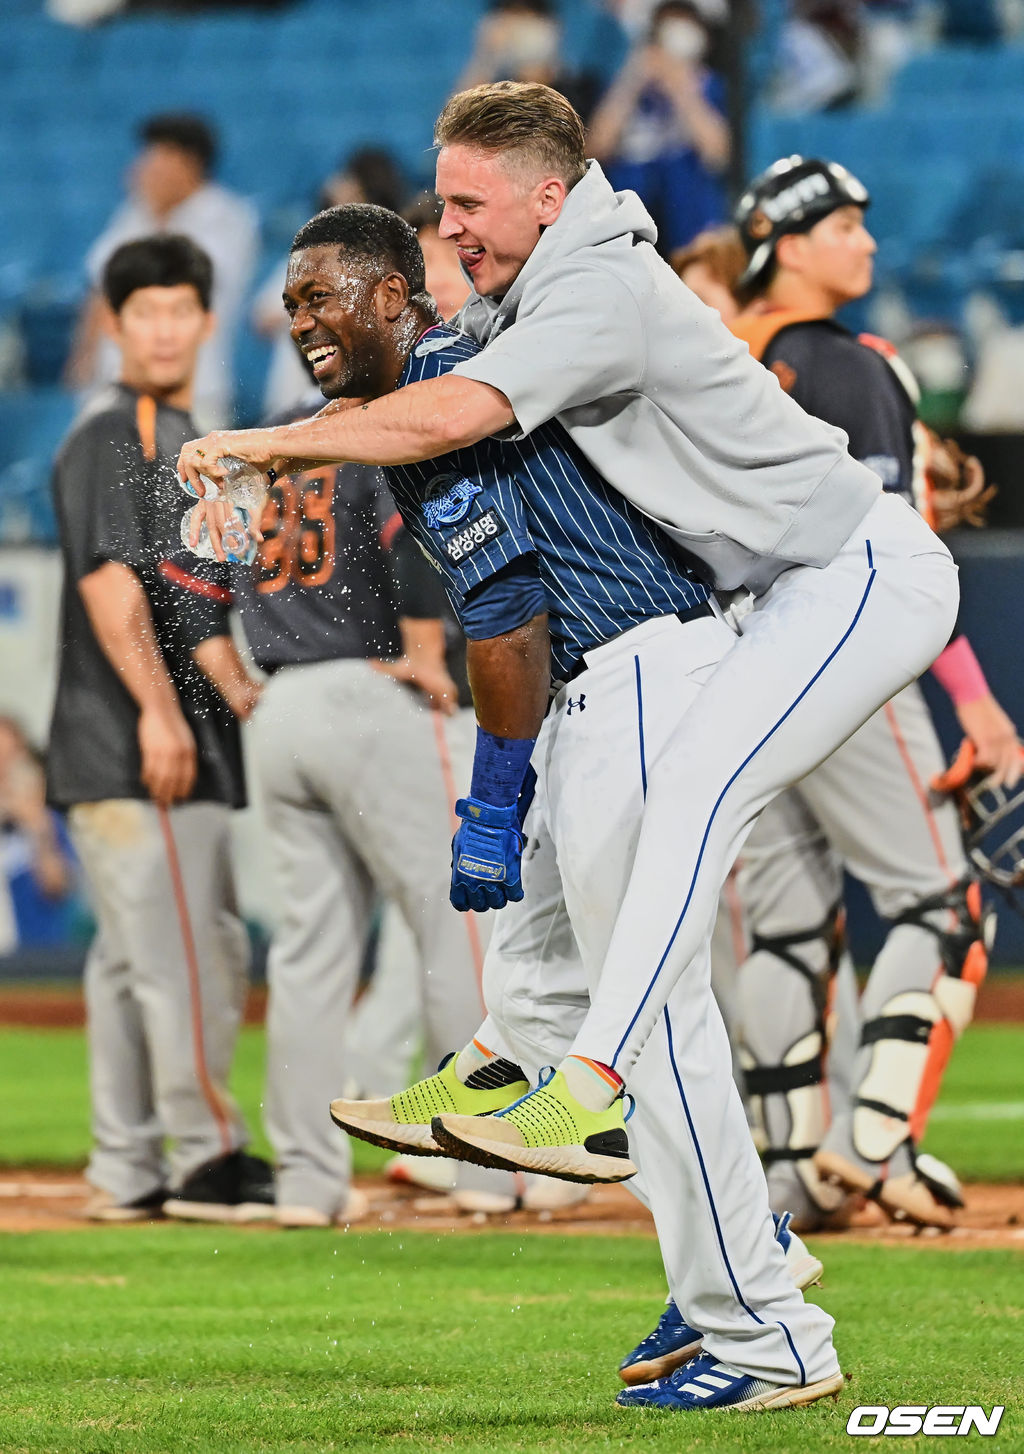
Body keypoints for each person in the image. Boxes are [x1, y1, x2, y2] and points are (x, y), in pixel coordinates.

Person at [178, 87, 958, 1410]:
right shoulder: (525, 299)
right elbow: (445, 384)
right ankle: (585, 1111)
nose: (451, 226)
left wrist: (260, 442)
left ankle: (607, 1115)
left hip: (817, 589)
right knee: (629, 968)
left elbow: (464, 467)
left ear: (548, 195)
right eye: (440, 204)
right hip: (740, 614)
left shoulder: (584, 293)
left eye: (469, 204)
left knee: (679, 903)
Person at [267, 201, 840, 1411]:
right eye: (288, 303)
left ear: (388, 292)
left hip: (633, 671)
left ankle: (766, 1326)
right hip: (621, 681)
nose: (299, 318)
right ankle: (555, 1100)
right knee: (574, 986)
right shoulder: (443, 373)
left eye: (321, 295)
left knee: (656, 1028)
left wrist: (491, 795)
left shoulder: (435, 399)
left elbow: (507, 614)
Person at [719, 155, 1020, 1231]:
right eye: (847, 224)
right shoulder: (849, 365)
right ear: (791, 242)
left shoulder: (723, 358)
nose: (869, 243)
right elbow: (894, 548)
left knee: (788, 932)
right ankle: (868, 1145)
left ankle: (789, 1180)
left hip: (732, 662)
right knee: (941, 900)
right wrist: (978, 704)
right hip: (837, 650)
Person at [231, 398, 513, 1225]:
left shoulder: (276, 434)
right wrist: (427, 650)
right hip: (373, 691)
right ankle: (486, 1168)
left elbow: (217, 576)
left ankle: (305, 1185)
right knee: (463, 923)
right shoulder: (387, 426)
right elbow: (423, 545)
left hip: (282, 697)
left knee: (309, 955)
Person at [48, 235, 271, 1225]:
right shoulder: (122, 431)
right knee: (189, 951)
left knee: (133, 962)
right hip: (144, 745)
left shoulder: (173, 428)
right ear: (117, 324)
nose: (166, 327)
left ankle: (127, 1161)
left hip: (134, 745)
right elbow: (109, 579)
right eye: (146, 311)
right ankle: (209, 1153)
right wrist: (160, 709)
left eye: (181, 309)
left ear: (207, 321)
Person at [67, 114, 259, 427]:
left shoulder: (228, 217)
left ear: (188, 162)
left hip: (192, 391)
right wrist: (83, 357)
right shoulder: (134, 212)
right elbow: (100, 285)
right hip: (116, 388)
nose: (144, 166)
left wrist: (159, 217)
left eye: (156, 156)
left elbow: (178, 277)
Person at [588, 1, 729, 250]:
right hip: (633, 191)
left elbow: (717, 154)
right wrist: (632, 82)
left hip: (686, 204)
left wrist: (680, 86)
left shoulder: (710, 84)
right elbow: (595, 149)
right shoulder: (626, 82)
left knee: (685, 179)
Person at [0, 716, 78, 953]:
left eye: (9, 759)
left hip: (35, 959)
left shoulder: (48, 819)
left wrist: (38, 828)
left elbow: (57, 887)